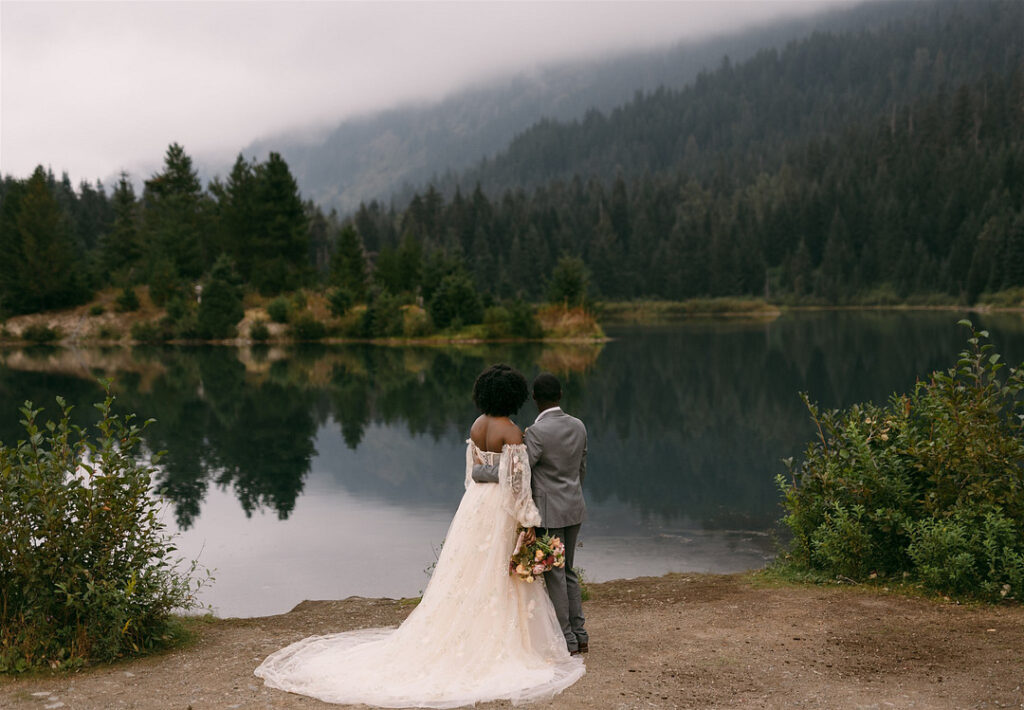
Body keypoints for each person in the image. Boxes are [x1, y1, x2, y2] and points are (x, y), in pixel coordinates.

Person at [254, 364, 584, 708]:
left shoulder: (478, 425)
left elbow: (473, 473)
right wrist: (528, 518)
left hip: (475, 506)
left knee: (470, 570)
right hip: (500, 508)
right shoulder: (512, 432)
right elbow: (517, 484)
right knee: (502, 571)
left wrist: (482, 492)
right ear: (514, 396)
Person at [523, 372, 589, 655]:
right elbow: (581, 468)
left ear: (534, 399)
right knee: (569, 571)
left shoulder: (535, 433)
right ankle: (580, 634)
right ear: (560, 396)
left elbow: (522, 471)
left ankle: (566, 639)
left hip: (549, 512)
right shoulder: (578, 425)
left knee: (555, 574)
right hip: (574, 506)